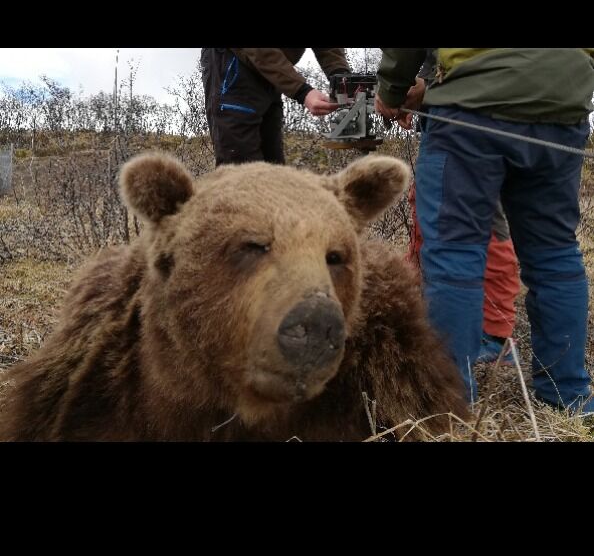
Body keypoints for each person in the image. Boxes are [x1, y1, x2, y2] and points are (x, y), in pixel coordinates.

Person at [375, 48, 594, 414]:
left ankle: (451, 403)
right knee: (555, 254)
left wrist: (391, 93)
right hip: (562, 104)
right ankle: (569, 396)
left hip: (469, 110)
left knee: (453, 253)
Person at [396, 61, 521, 365]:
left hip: (474, 124)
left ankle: (495, 334)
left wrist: (411, 87)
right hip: (449, 123)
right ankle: (422, 308)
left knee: (484, 230)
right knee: (428, 212)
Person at [200, 48, 350, 166]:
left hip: (273, 71)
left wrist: (341, 75)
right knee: (241, 170)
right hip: (236, 65)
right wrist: (302, 91)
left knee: (273, 170)